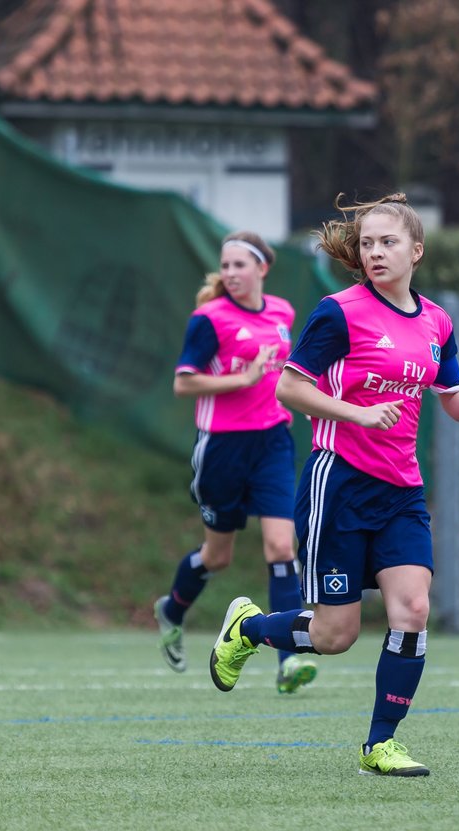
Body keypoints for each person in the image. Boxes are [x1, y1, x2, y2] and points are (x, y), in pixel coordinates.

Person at [205, 193, 459, 777]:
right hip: (337, 483)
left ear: (417, 250)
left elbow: (452, 400)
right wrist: (358, 413)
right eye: (367, 243)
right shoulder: (339, 312)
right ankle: (248, 628)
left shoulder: (437, 321)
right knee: (335, 635)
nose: (375, 252)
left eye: (387, 242)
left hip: (402, 494)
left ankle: (381, 743)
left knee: (412, 610)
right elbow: (290, 388)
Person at [153, 230, 318, 696]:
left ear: (262, 269)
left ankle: (288, 663)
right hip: (222, 448)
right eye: (224, 266)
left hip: (272, 443)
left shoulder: (283, 312)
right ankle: (173, 610)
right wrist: (241, 378)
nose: (230, 274)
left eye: (239, 266)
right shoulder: (208, 319)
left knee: (282, 547)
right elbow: (184, 383)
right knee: (218, 556)